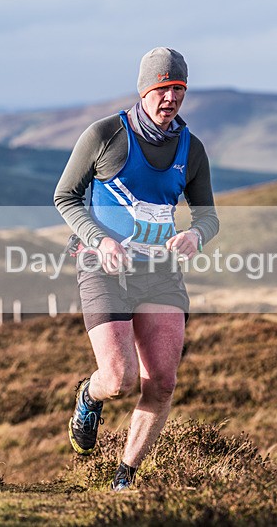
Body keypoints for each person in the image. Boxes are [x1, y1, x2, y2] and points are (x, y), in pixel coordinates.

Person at [54, 47, 219, 491]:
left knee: (162, 382)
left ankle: (124, 477)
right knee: (121, 378)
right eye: (162, 89)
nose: (171, 99)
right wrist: (100, 239)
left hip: (161, 272)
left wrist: (195, 235)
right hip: (103, 267)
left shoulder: (191, 148)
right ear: (144, 90)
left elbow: (208, 216)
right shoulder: (106, 134)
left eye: (179, 90)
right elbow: (65, 196)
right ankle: (89, 396)